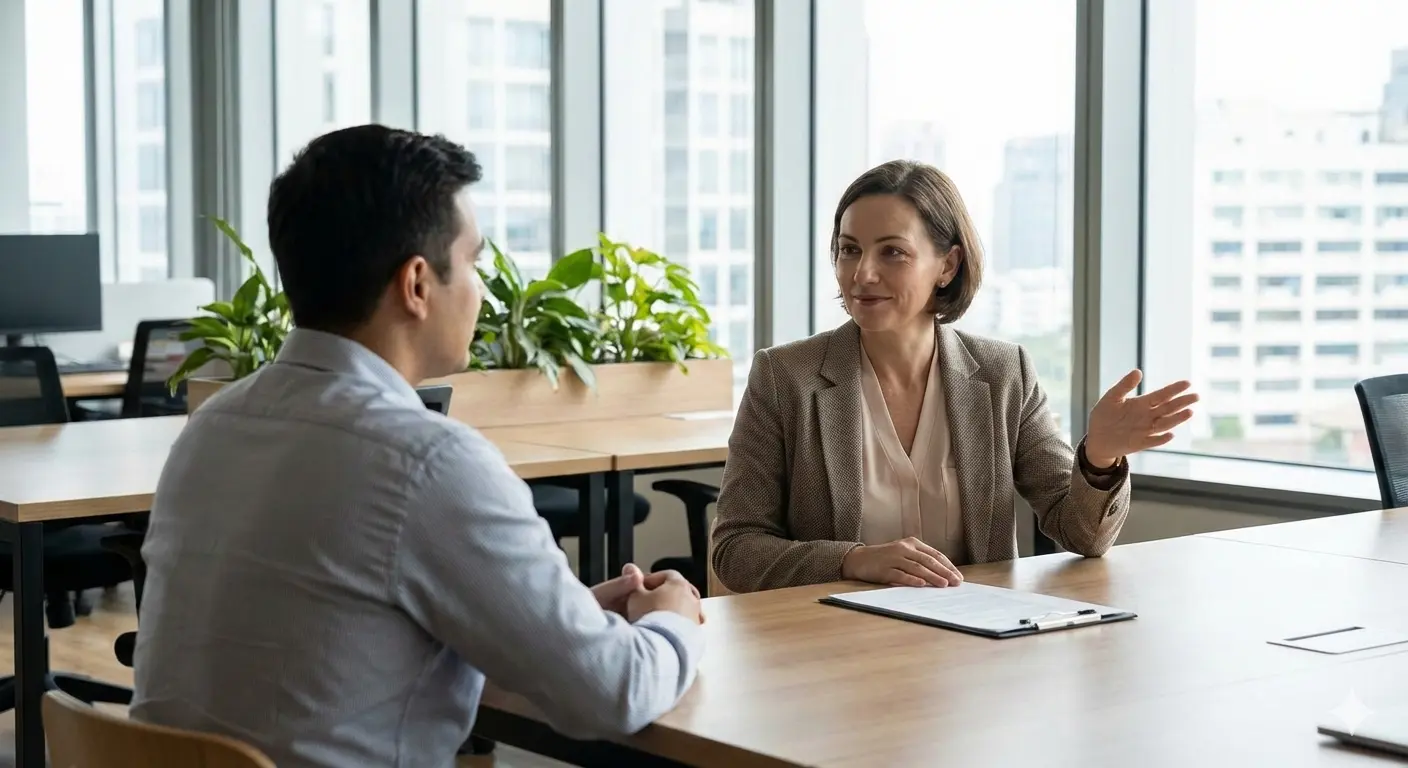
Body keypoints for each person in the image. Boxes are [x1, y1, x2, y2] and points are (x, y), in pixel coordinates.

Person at [130, 124, 705, 767]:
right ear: (417, 284)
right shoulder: (426, 462)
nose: (482, 290)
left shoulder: (214, 426)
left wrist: (557, 617)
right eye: (475, 262)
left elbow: (338, 635)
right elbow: (614, 693)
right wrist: (675, 619)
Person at [711, 160, 1198, 594]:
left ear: (948, 264)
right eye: (849, 250)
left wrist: (1099, 457)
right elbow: (736, 550)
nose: (862, 274)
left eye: (892, 253)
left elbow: (1081, 534)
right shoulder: (784, 377)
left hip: (973, 647)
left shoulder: (1004, 374)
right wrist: (854, 560)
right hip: (833, 645)